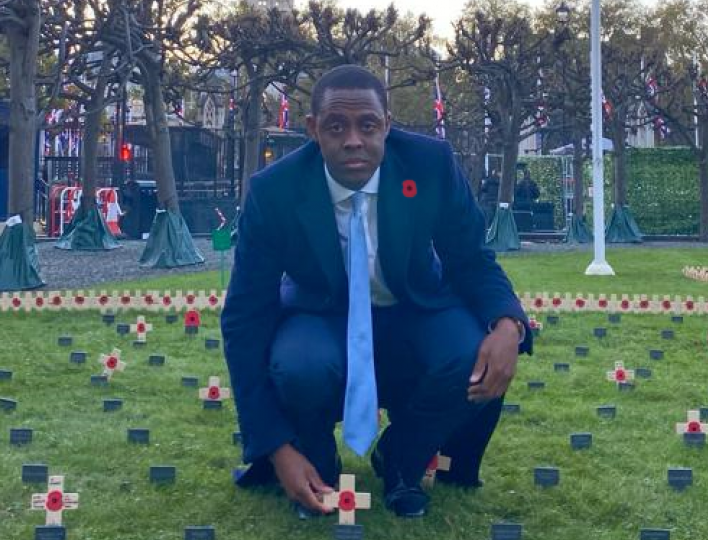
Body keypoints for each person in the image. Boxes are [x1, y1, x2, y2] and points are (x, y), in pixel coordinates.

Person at [221, 64, 532, 520]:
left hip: (415, 311)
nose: (353, 140)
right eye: (335, 126)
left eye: (367, 125)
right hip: (321, 315)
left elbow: (471, 259)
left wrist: (509, 324)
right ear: (312, 129)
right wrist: (274, 446)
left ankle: (403, 461)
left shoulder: (430, 165)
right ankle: (314, 469)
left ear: (387, 124)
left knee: (468, 351)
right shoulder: (273, 191)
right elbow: (245, 315)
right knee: (299, 365)